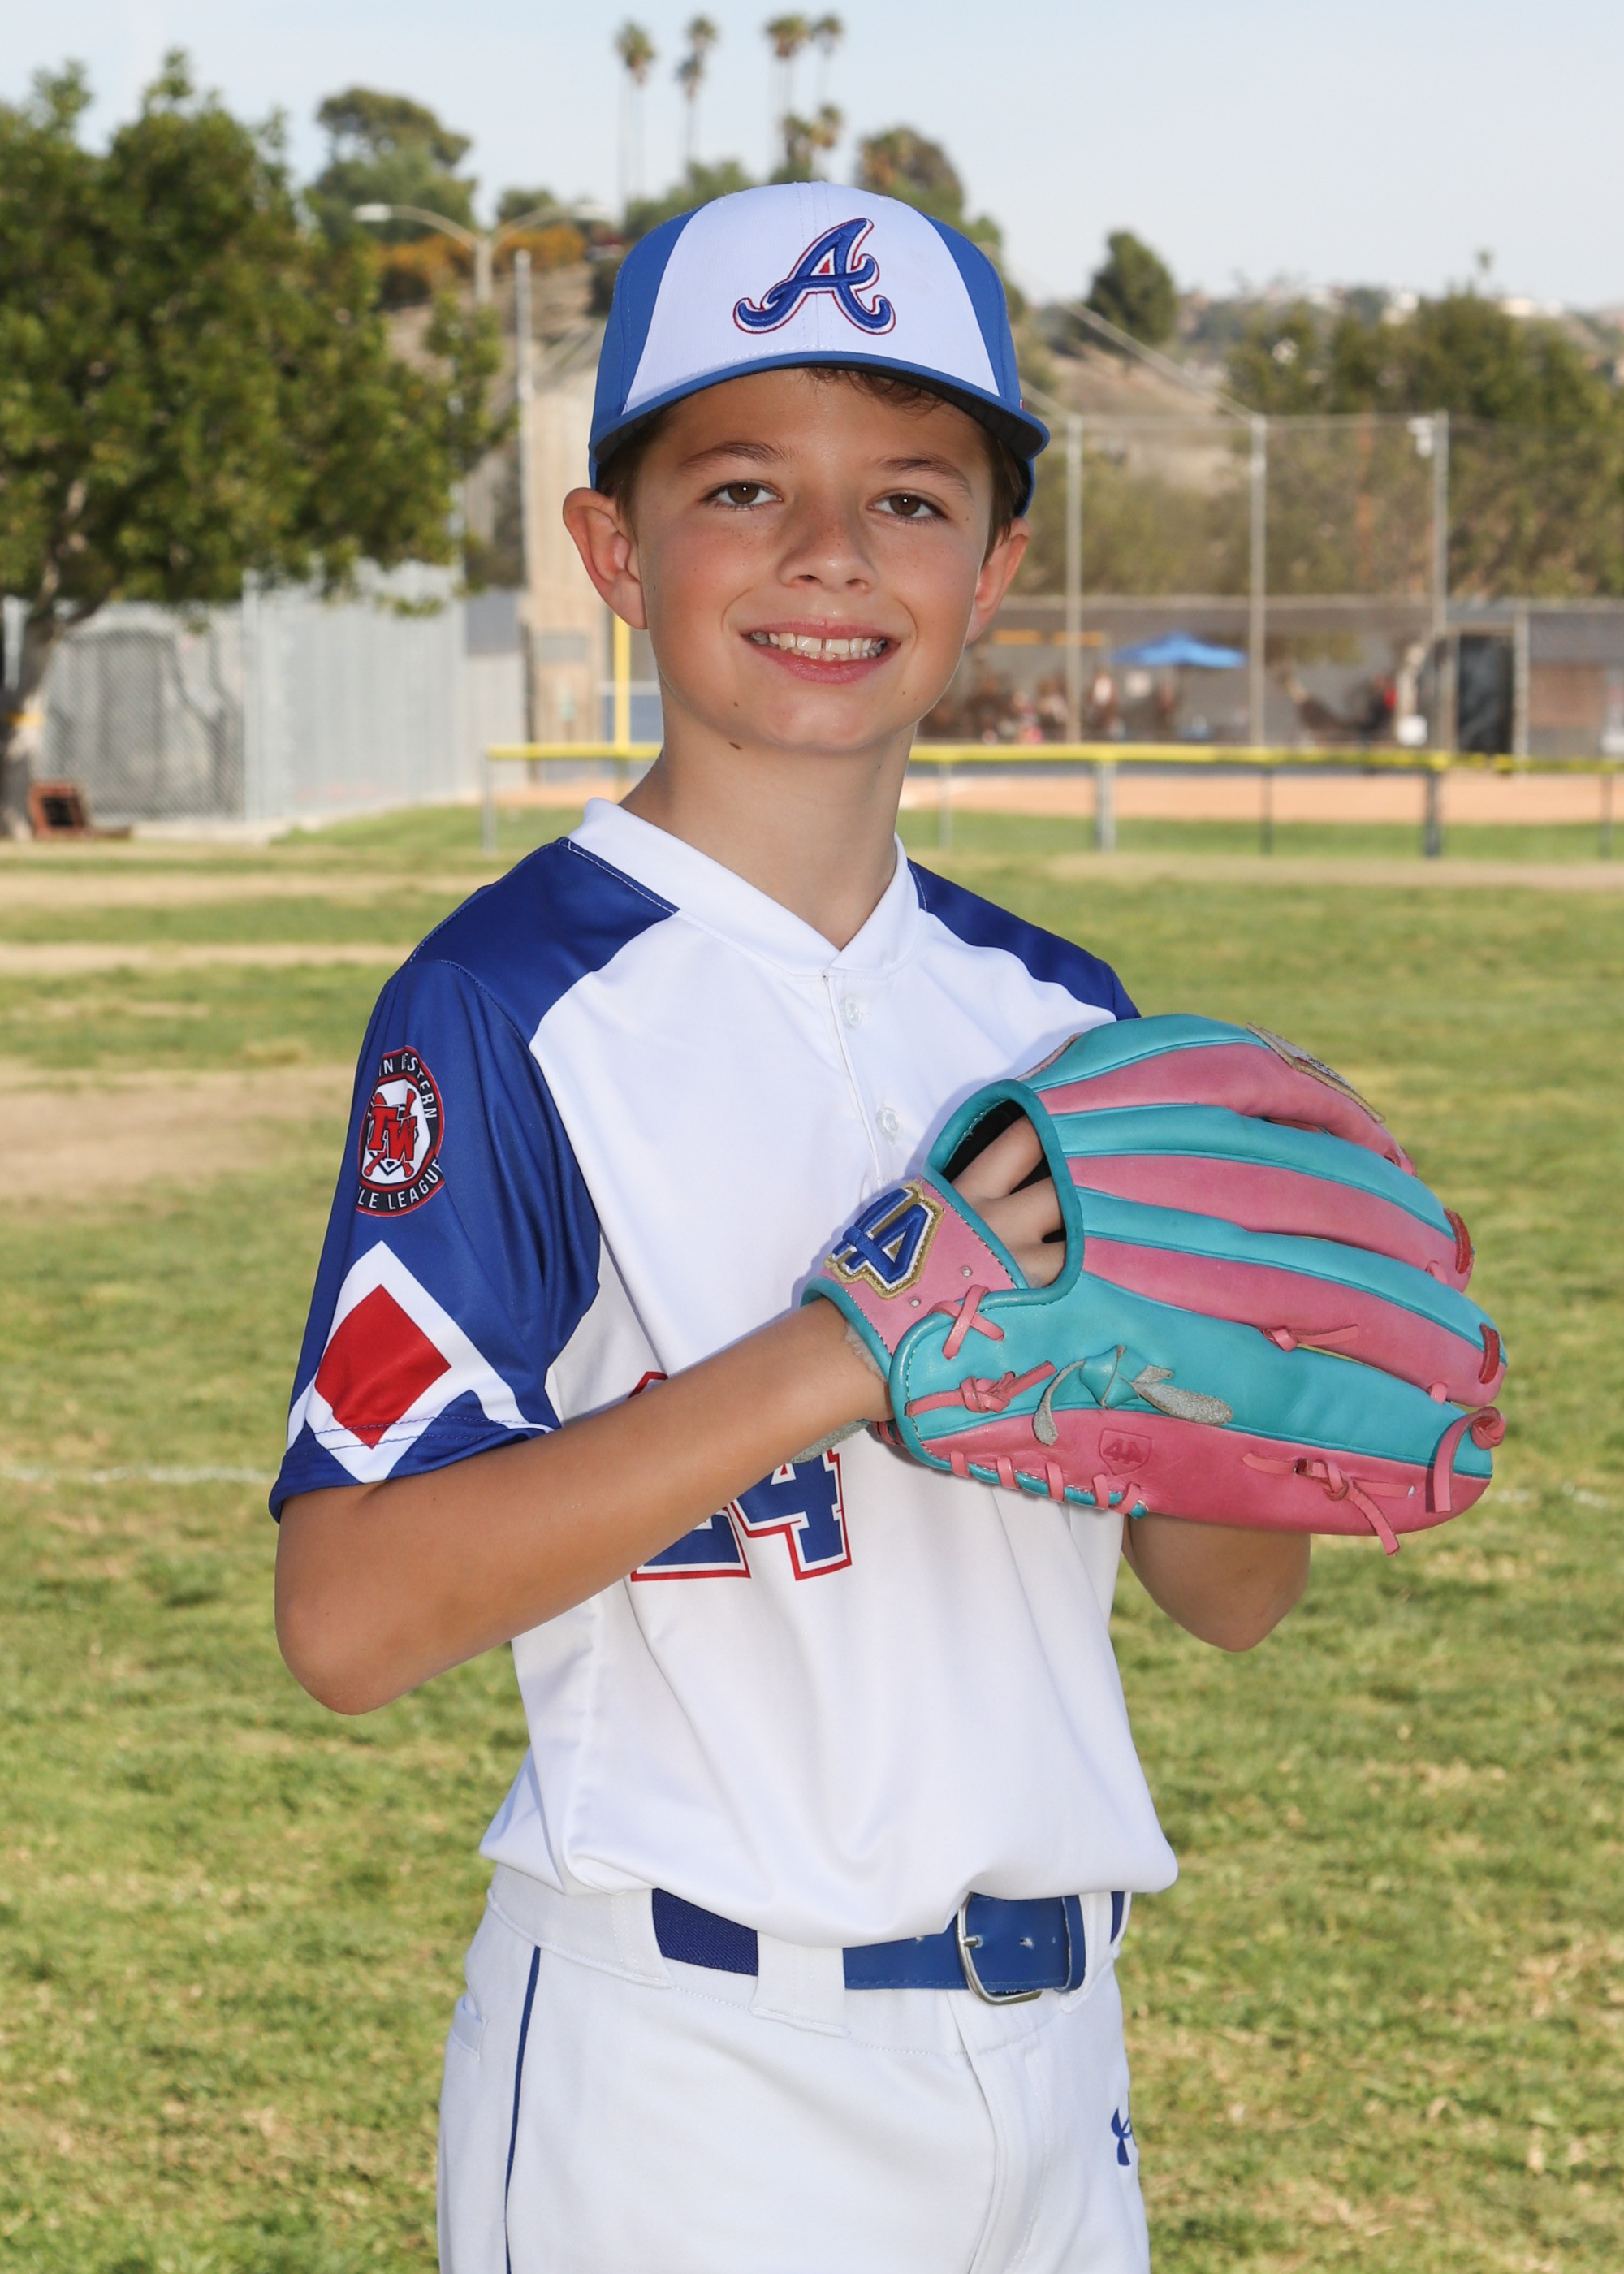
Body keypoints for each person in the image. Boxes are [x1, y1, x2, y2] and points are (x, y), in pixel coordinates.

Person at [272, 184, 1307, 2273]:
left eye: (909, 497)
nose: (830, 552)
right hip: (690, 2069)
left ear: (993, 567)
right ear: (613, 549)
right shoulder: (508, 1003)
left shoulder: (1061, 1022)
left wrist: (1257, 1385)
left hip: (1053, 2053)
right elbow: (352, 1616)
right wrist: (845, 1342)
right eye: (743, 486)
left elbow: (1225, 1597)